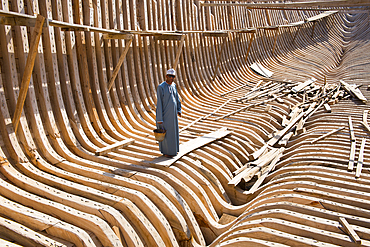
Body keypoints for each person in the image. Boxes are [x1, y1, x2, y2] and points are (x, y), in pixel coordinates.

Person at [156, 68, 182, 158]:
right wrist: (159, 119)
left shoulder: (174, 86)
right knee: (166, 134)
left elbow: (177, 98)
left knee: (173, 133)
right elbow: (159, 104)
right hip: (165, 115)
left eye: (173, 77)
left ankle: (173, 150)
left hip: (173, 115)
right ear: (166, 76)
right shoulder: (161, 87)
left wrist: (179, 109)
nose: (171, 78)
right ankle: (166, 151)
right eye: (170, 76)